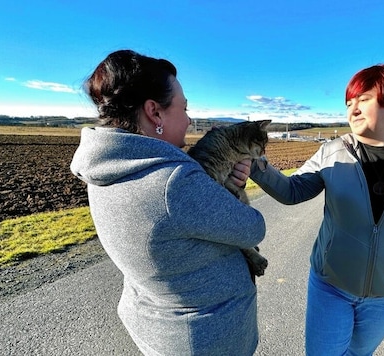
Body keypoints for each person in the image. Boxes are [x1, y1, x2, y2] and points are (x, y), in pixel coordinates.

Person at [236, 64, 384, 355]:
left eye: (363, 99)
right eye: (349, 103)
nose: (352, 109)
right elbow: (292, 191)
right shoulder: (332, 152)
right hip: (331, 287)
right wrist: (254, 164)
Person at [70, 49, 266, 355]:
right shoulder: (173, 182)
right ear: (155, 112)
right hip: (206, 339)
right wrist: (233, 190)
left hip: (159, 324)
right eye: (184, 108)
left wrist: (221, 185)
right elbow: (253, 228)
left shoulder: (107, 166)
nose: (189, 119)